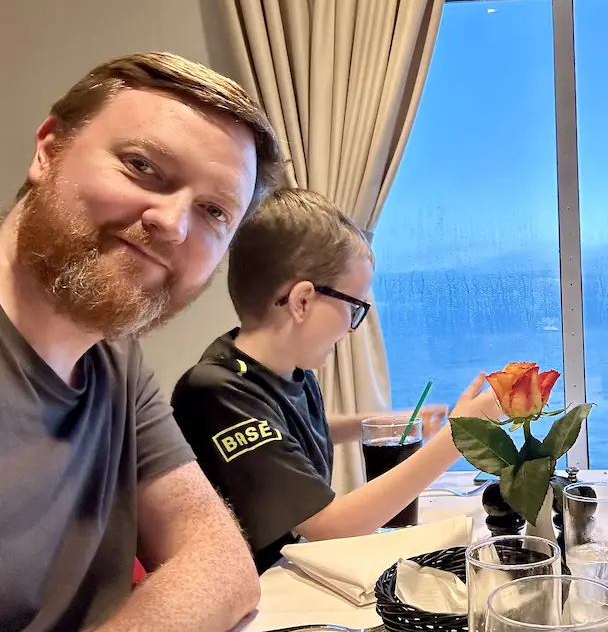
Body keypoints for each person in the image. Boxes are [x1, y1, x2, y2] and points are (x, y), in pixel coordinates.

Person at [0, 52, 284, 632]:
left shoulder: (112, 357)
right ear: (49, 148)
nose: (172, 223)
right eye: (143, 167)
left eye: (214, 213)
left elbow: (220, 564)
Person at [170, 188, 502, 572]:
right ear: (302, 301)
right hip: (248, 597)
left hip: (287, 575)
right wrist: (461, 438)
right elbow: (331, 525)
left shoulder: (283, 371)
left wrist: (377, 425)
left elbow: (284, 436)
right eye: (354, 308)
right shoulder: (215, 392)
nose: (353, 327)